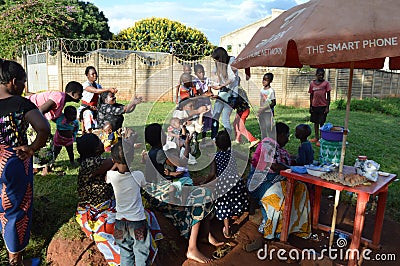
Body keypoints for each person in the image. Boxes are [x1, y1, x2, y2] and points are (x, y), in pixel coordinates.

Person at [144, 123, 223, 263]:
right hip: (162, 192)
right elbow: (181, 162)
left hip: (162, 190)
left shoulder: (153, 152)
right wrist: (186, 145)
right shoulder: (160, 153)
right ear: (161, 137)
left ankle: (205, 235)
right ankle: (192, 248)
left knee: (203, 193)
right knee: (202, 196)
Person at [0, 59, 50, 266]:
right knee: (15, 208)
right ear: (13, 82)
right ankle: (16, 260)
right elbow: (43, 129)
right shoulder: (20, 104)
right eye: (23, 82)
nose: (24, 87)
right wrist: (31, 148)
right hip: (13, 161)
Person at [247, 122, 311, 240]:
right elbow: (275, 166)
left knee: (301, 188)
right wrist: (292, 168)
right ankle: (271, 228)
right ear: (281, 135)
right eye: (287, 136)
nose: (287, 139)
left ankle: (294, 226)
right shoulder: (267, 145)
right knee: (280, 195)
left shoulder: (276, 148)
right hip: (261, 183)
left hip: (273, 180)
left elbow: (286, 160)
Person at [106, 139, 151, 266]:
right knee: (141, 253)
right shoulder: (138, 175)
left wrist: (115, 163)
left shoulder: (112, 176)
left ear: (113, 160)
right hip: (137, 222)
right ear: (132, 159)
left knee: (125, 253)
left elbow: (106, 176)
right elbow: (145, 185)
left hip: (120, 222)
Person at [27, 80, 83, 175]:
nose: (81, 96)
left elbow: (53, 116)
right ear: (73, 94)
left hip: (31, 114)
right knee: (46, 140)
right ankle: (44, 169)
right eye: (80, 94)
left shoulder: (62, 100)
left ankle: (38, 167)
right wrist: (42, 128)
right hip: (30, 113)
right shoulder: (59, 97)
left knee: (43, 141)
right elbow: (40, 111)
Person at [204, 130, 248, 239]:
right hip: (235, 182)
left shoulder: (215, 156)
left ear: (217, 145)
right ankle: (236, 213)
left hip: (223, 184)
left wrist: (204, 183)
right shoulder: (234, 153)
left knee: (224, 204)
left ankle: (227, 230)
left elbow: (212, 174)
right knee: (236, 198)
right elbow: (247, 159)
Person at [210, 47, 240, 139]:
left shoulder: (232, 61)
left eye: (217, 59)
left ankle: (227, 140)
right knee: (215, 115)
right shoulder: (219, 63)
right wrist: (216, 81)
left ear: (221, 57)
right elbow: (213, 72)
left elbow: (232, 78)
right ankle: (214, 138)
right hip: (222, 92)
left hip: (231, 94)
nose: (216, 62)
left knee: (225, 119)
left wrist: (221, 85)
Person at [79, 66, 118, 133]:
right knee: (88, 113)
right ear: (87, 75)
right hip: (85, 108)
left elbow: (103, 95)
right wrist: (108, 89)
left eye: (96, 73)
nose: (95, 75)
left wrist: (111, 93)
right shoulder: (85, 85)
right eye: (92, 74)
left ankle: (107, 130)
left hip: (96, 107)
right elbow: (95, 91)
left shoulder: (98, 86)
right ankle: (89, 131)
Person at [309, 68, 331, 147]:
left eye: (322, 75)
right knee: (315, 122)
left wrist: (327, 107)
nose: (321, 76)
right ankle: (316, 137)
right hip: (314, 106)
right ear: (316, 75)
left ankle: (321, 139)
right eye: (319, 75)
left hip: (323, 106)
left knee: (321, 123)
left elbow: (328, 96)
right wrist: (310, 106)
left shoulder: (326, 83)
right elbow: (311, 95)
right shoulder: (312, 84)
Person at [193, 64, 213, 140]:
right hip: (199, 104)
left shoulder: (207, 80)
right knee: (199, 120)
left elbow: (209, 92)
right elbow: (200, 94)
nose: (202, 74)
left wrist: (209, 94)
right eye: (199, 72)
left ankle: (204, 137)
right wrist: (206, 94)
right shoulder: (195, 82)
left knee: (207, 119)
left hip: (207, 103)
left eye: (203, 72)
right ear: (196, 73)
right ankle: (195, 136)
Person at [257, 73, 276, 140]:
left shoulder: (271, 91)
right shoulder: (262, 89)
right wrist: (260, 109)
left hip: (268, 112)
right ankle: (264, 141)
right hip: (262, 112)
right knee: (262, 128)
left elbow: (273, 103)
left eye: (266, 80)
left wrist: (264, 108)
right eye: (263, 79)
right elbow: (261, 100)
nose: (264, 81)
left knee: (269, 127)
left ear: (270, 81)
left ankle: (272, 141)